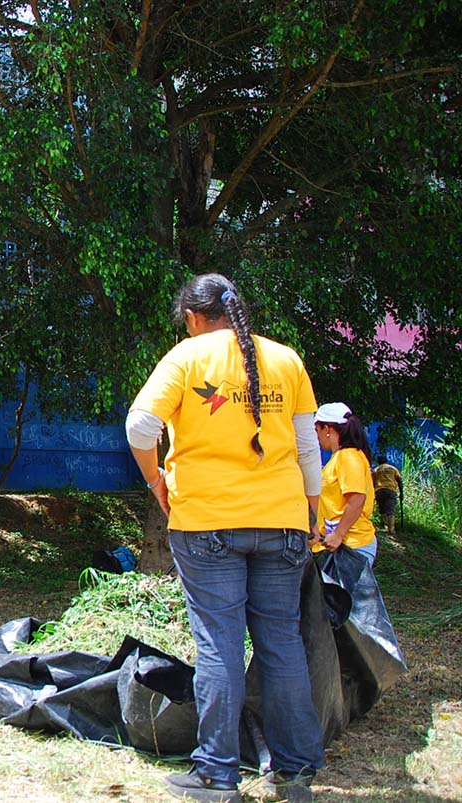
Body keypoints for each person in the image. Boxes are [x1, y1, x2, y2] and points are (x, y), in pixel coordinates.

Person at [125, 273, 324, 803]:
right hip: (282, 522)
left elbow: (141, 427)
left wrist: (156, 481)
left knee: (219, 646)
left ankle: (217, 774)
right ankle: (297, 769)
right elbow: (308, 448)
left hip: (207, 521)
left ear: (192, 318)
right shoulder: (286, 359)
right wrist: (309, 508)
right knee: (281, 641)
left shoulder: (187, 358)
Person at [312, 403, 378, 565]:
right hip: (338, 545)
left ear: (327, 429)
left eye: (317, 430)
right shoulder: (339, 458)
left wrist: (339, 534)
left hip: (352, 545)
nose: (316, 437)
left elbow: (357, 499)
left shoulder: (348, 457)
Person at [372, 454, 403, 536]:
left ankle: (386, 527)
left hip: (379, 491)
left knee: (382, 510)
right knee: (390, 510)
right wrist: (401, 493)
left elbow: (372, 483)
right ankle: (391, 529)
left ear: (378, 462)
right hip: (390, 490)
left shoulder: (376, 470)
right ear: (386, 461)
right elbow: (399, 480)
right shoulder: (393, 469)